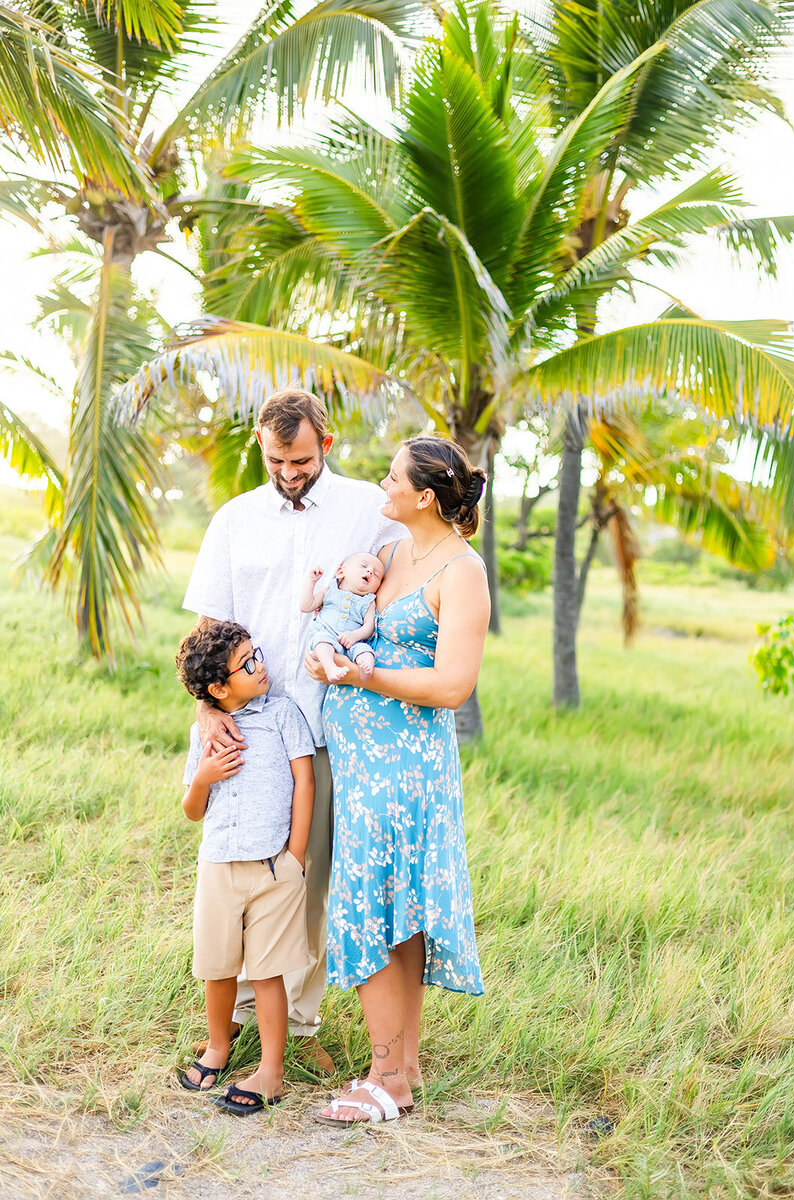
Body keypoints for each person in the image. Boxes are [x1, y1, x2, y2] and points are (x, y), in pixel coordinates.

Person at [182, 389, 403, 1074]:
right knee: (232, 865)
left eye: (301, 459)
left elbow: (404, 583)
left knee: (303, 877)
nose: (288, 471)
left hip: (325, 727)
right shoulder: (234, 519)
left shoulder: (369, 508)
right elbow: (205, 630)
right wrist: (205, 711)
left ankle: (298, 1025)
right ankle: (237, 1015)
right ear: (260, 444)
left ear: (326, 446)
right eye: (277, 458)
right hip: (240, 728)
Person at [306, 435, 490, 1126]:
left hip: (405, 766)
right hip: (361, 762)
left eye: (391, 478)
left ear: (422, 496)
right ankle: (401, 1066)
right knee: (396, 911)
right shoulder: (389, 554)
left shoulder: (462, 572)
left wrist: (363, 675)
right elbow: (352, 622)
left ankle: (387, 1081)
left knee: (378, 909)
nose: (380, 487)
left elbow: (452, 685)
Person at [175, 621, 315, 1114]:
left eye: (258, 655)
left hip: (274, 867)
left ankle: (271, 1070)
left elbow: (304, 781)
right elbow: (192, 810)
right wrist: (204, 778)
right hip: (218, 866)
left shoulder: (282, 714)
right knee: (217, 968)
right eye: (248, 663)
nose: (262, 667)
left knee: (268, 972)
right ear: (218, 688)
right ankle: (218, 1044)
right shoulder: (204, 732)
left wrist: (295, 856)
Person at [299, 553, 384, 683]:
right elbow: (306, 606)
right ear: (340, 572)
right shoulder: (329, 591)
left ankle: (366, 670)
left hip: (352, 643)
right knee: (321, 641)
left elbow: (369, 626)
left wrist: (355, 636)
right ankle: (330, 668)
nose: (370, 571)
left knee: (365, 650)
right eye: (363, 565)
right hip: (325, 636)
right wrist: (312, 582)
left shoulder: (368, 601)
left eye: (377, 575)